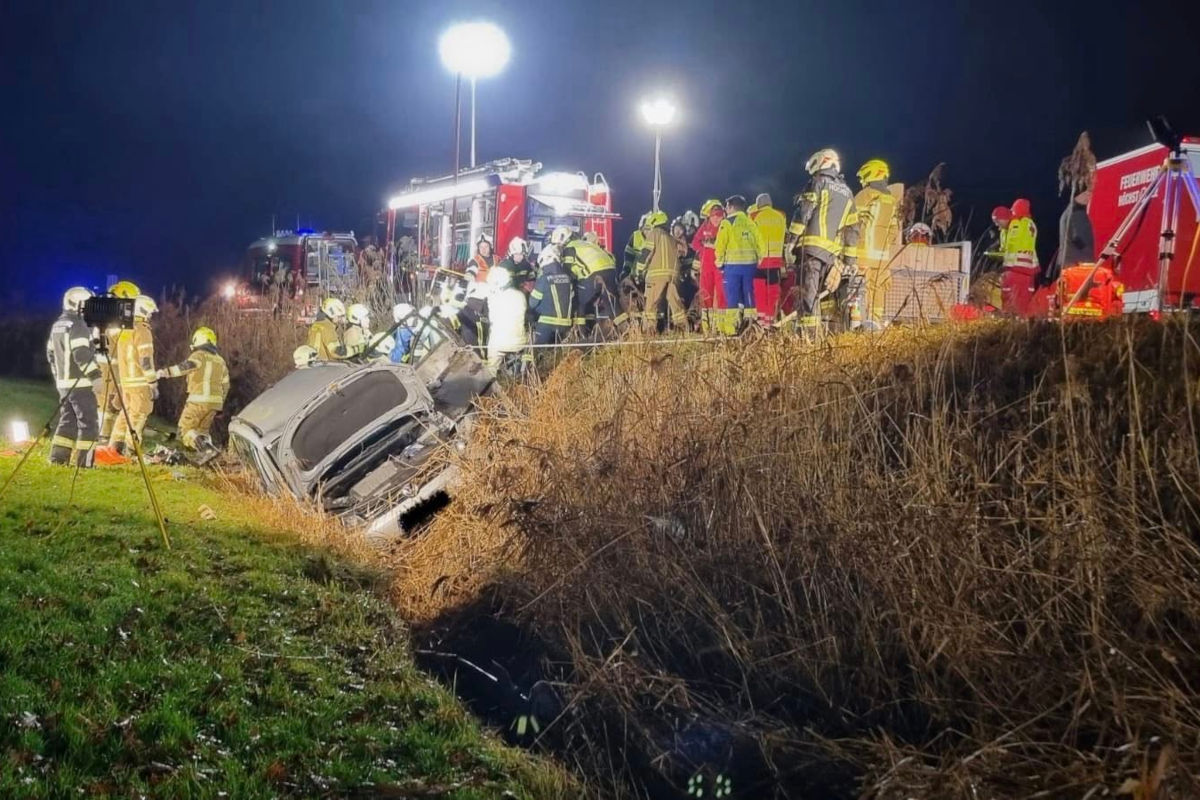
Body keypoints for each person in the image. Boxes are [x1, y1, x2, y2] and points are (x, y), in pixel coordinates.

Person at [787, 149, 859, 338]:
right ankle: (829, 336)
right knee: (826, 300)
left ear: (820, 162)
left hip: (810, 252)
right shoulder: (848, 192)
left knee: (807, 296)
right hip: (831, 257)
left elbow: (803, 213)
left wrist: (790, 242)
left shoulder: (818, 182)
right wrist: (849, 261)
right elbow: (852, 230)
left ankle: (807, 338)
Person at [98, 295, 159, 463]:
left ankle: (114, 448)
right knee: (139, 415)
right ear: (144, 311)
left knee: (125, 415)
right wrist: (153, 383)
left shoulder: (123, 330)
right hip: (140, 382)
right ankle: (130, 451)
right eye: (150, 313)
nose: (150, 317)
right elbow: (145, 360)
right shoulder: (142, 330)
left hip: (126, 383)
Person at [47, 287, 102, 467]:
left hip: (64, 385)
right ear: (79, 304)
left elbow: (51, 354)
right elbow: (81, 354)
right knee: (89, 423)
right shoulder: (78, 325)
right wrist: (95, 376)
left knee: (67, 421)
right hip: (81, 385)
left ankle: (58, 459)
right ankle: (85, 464)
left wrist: (58, 377)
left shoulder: (58, 324)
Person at [156, 326, 228, 460]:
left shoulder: (199, 355)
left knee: (185, 431)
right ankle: (209, 456)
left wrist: (165, 372)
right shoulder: (220, 361)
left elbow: (186, 367)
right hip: (215, 404)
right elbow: (226, 385)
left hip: (198, 401)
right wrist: (220, 405)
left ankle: (207, 450)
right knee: (202, 432)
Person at [849, 159, 900, 328]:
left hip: (862, 255)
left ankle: (856, 325)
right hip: (882, 259)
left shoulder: (865, 195)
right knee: (878, 292)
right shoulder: (891, 201)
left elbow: (851, 223)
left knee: (857, 290)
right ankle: (875, 323)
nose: (862, 180)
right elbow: (894, 231)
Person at [553, 226, 626, 335]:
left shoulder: (569, 248)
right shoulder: (583, 244)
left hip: (593, 274)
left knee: (580, 303)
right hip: (610, 271)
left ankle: (581, 334)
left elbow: (567, 273)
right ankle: (627, 330)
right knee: (612, 304)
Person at [94, 279, 141, 446]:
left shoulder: (111, 318)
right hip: (108, 367)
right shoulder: (112, 320)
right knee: (106, 403)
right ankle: (102, 436)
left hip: (114, 367)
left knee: (112, 403)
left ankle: (107, 436)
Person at [714, 195, 762, 330]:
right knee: (748, 293)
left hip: (733, 266)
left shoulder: (726, 223)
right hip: (750, 265)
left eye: (726, 207)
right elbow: (759, 242)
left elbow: (720, 245)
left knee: (733, 295)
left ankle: (732, 327)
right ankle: (751, 326)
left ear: (730, 207)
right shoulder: (750, 222)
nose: (725, 209)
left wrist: (719, 263)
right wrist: (759, 259)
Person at [639, 210, 688, 331]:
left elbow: (646, 252)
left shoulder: (655, 233)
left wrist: (638, 270)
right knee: (675, 303)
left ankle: (649, 331)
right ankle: (683, 328)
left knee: (651, 305)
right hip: (673, 275)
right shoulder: (671, 238)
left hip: (656, 275)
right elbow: (682, 253)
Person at [750, 193, 788, 324]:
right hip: (775, 262)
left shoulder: (754, 216)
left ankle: (761, 322)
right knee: (772, 292)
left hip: (759, 262)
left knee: (759, 292)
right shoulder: (781, 215)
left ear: (758, 205)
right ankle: (770, 322)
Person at [484, 266, 529, 375]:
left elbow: (491, 318)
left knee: (491, 365)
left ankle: (491, 377)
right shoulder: (520, 295)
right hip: (520, 342)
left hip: (500, 343)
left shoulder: (495, 299)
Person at [529, 245, 575, 345]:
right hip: (565, 325)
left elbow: (532, 303)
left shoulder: (544, 278)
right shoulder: (568, 277)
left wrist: (531, 291)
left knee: (536, 351)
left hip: (546, 325)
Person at [692, 199, 726, 317]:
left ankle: (721, 322)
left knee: (722, 294)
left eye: (718, 215)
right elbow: (695, 243)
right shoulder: (705, 226)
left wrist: (713, 245)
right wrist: (703, 248)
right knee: (705, 294)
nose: (716, 218)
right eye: (713, 215)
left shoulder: (725, 226)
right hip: (706, 266)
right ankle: (707, 322)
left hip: (720, 266)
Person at [1056, 187, 1094, 277]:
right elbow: (1078, 238)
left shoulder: (1067, 212)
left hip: (1068, 264)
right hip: (1079, 265)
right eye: (1086, 193)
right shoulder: (1078, 212)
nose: (1089, 197)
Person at [672, 218, 699, 314]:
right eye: (676, 229)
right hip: (677, 277)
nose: (678, 231)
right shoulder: (671, 244)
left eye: (680, 229)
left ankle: (691, 314)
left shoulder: (691, 247)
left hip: (690, 278)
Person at [622, 212, 651, 285]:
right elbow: (629, 254)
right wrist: (626, 270)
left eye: (650, 229)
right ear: (641, 228)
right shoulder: (635, 236)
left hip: (651, 276)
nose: (648, 231)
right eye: (646, 228)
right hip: (635, 276)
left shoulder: (656, 238)